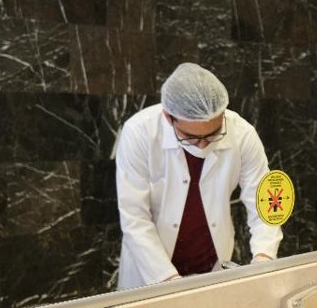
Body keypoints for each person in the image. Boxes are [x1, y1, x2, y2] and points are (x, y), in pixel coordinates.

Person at [116, 63, 282, 289]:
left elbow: (266, 203)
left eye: (213, 134)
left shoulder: (242, 134)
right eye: (191, 137)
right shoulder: (139, 133)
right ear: (168, 117)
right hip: (149, 273)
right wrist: (169, 282)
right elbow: (134, 218)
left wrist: (264, 257)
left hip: (212, 267)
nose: (203, 144)